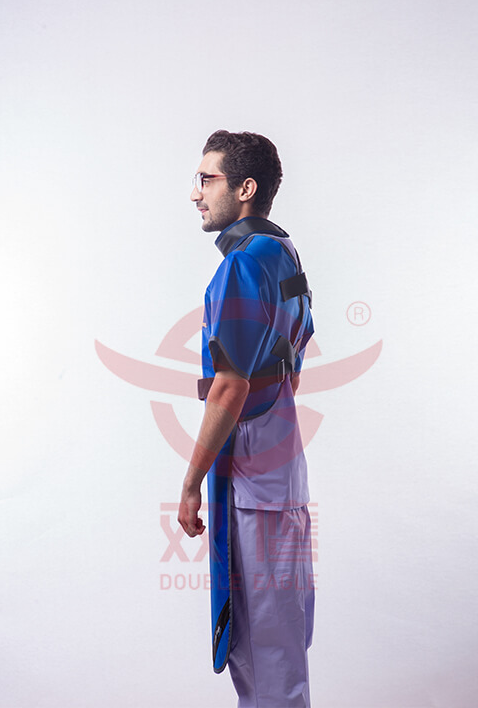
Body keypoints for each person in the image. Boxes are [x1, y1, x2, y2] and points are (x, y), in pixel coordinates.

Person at [178, 130, 315, 707]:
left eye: (206, 179)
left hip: (253, 485)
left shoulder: (240, 265)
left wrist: (190, 483)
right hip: (283, 477)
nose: (195, 193)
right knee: (280, 646)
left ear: (245, 188)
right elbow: (293, 363)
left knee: (263, 657)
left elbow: (230, 387)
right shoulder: (285, 253)